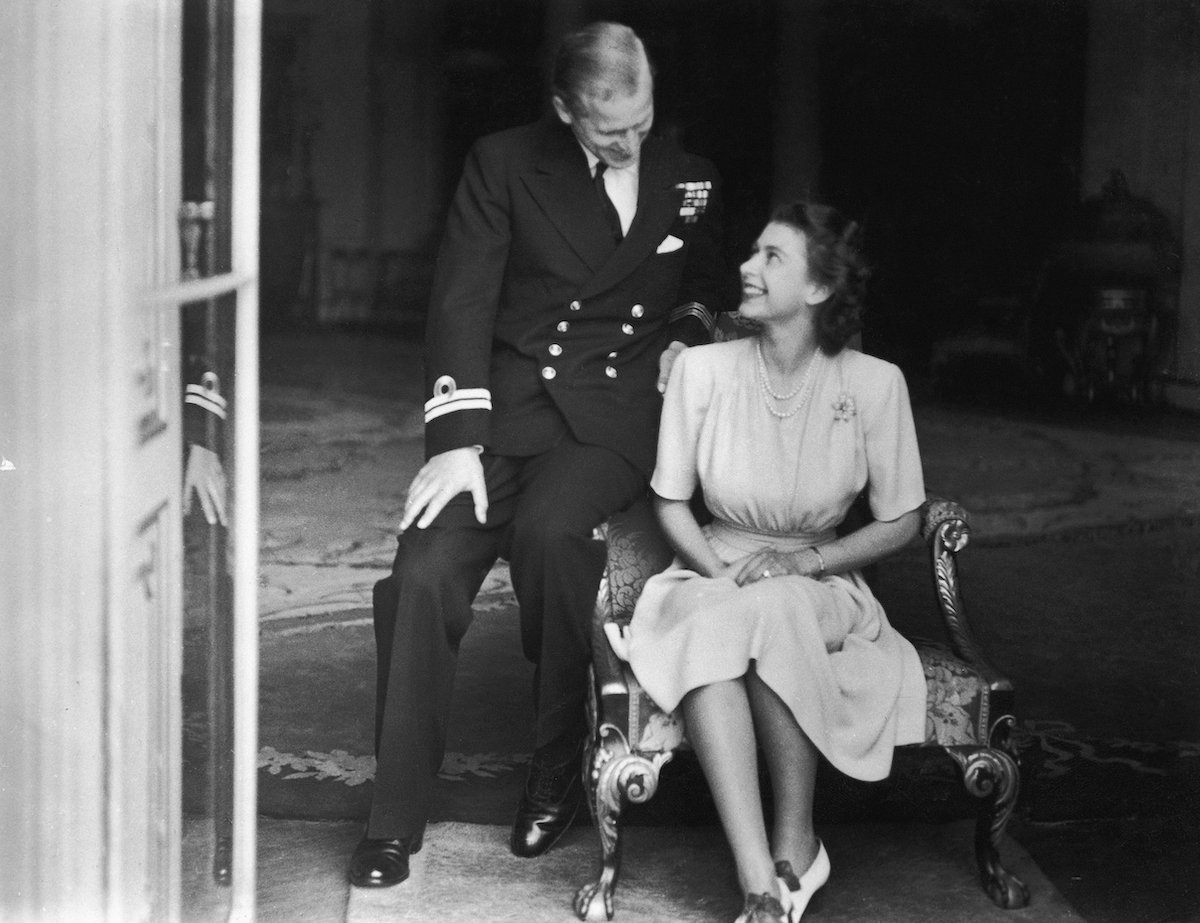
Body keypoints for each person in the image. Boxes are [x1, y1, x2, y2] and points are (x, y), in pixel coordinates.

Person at [348, 21, 727, 888]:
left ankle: (555, 759)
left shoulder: (689, 176)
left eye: (641, 121)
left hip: (610, 425)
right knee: (423, 569)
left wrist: (688, 333)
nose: (630, 142)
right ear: (563, 109)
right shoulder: (504, 162)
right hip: (504, 411)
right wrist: (456, 444)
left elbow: (702, 277)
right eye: (607, 130)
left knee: (557, 535)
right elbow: (463, 301)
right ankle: (393, 817)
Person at [623, 200, 927, 922]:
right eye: (751, 252)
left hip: (818, 581)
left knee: (777, 604)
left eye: (771, 258)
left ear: (818, 289)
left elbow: (904, 520)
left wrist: (808, 562)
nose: (746, 268)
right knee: (726, 620)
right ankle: (760, 878)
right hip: (710, 567)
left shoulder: (876, 384)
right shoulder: (701, 370)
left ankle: (799, 840)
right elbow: (670, 502)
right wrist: (719, 575)